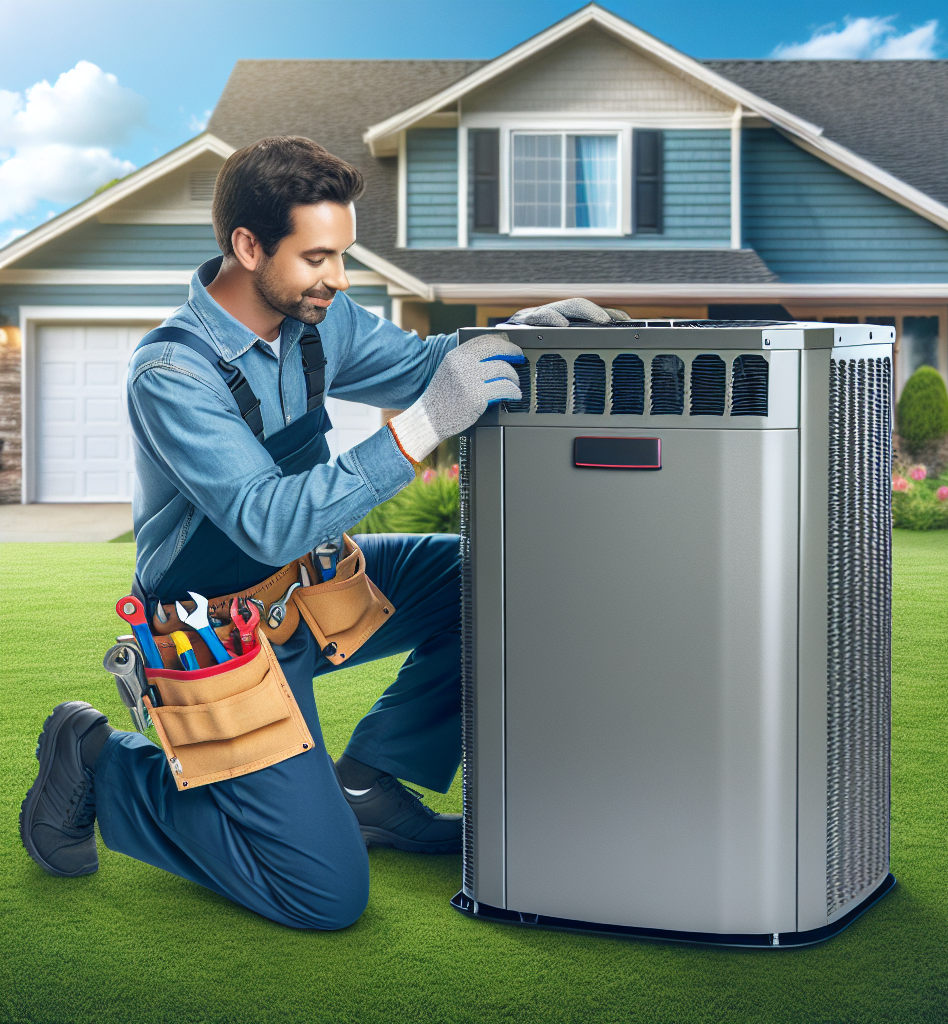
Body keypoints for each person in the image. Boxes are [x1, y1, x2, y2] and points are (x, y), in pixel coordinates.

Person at [19, 135, 625, 930]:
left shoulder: (317, 322)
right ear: (247, 245)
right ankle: (106, 765)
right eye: (316, 258)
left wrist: (522, 332)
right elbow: (269, 522)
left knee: (503, 577)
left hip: (316, 586)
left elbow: (425, 367)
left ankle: (374, 779)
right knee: (324, 896)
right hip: (216, 632)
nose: (337, 279)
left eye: (342, 255)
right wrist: (418, 432)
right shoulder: (173, 374)